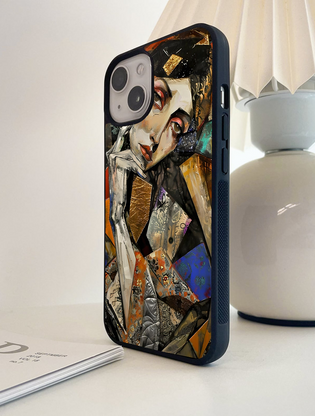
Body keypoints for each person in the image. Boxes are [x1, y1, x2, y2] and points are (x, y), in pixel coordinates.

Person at [105, 29, 213, 352]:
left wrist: (120, 226)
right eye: (156, 100)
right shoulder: (102, 166)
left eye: (177, 127)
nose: (158, 136)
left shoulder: (169, 212)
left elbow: (144, 333)